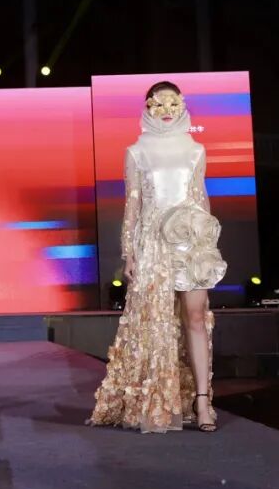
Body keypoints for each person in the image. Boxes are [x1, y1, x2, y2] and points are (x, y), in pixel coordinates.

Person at [88, 82, 227, 433]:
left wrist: (208, 243)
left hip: (190, 241)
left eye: (172, 103)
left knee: (196, 318)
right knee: (157, 323)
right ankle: (158, 400)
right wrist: (129, 252)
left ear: (182, 105)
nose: (166, 110)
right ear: (148, 108)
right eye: (158, 104)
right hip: (153, 243)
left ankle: (203, 401)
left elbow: (201, 198)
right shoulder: (137, 151)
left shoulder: (196, 150)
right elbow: (133, 204)